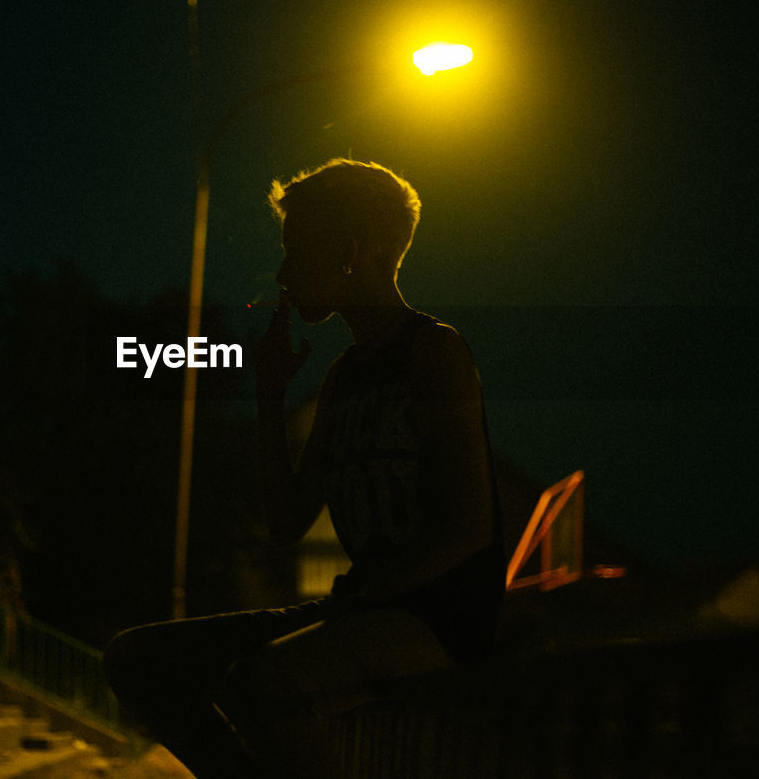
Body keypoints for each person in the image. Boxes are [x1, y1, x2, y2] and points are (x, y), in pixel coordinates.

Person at [104, 159, 504, 778]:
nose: (284, 274)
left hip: (435, 620)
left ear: (347, 251)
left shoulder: (434, 352)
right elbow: (289, 520)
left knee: (259, 684)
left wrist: (370, 592)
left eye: (296, 251)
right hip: (358, 611)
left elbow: (471, 527)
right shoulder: (344, 378)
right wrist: (269, 393)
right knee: (137, 659)